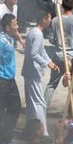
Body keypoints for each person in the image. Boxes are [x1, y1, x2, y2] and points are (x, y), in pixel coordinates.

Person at [21, 8, 57, 136]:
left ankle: (30, 129)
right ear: (43, 19)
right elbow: (34, 54)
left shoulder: (34, 32)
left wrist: (50, 61)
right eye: (49, 17)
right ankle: (43, 132)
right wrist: (47, 63)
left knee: (32, 103)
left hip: (30, 72)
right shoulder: (37, 34)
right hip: (33, 72)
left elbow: (42, 51)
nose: (50, 20)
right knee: (39, 103)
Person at [0, 13, 22, 144]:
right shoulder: (0, 41)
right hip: (1, 80)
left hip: (10, 78)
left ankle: (5, 136)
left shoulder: (10, 38)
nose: (17, 27)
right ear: (8, 27)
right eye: (15, 24)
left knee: (15, 107)